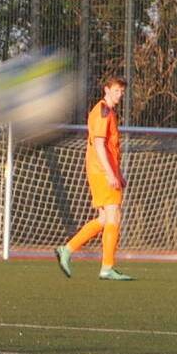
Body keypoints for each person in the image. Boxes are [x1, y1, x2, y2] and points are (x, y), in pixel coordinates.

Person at [56, 76, 132, 281]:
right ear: (106, 90)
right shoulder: (103, 111)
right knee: (114, 215)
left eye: (122, 92)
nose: (120, 95)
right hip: (101, 171)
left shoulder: (108, 111)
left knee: (104, 219)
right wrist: (110, 174)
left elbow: (109, 147)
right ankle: (107, 268)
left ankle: (67, 249)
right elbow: (99, 145)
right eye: (116, 91)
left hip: (102, 170)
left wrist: (118, 173)